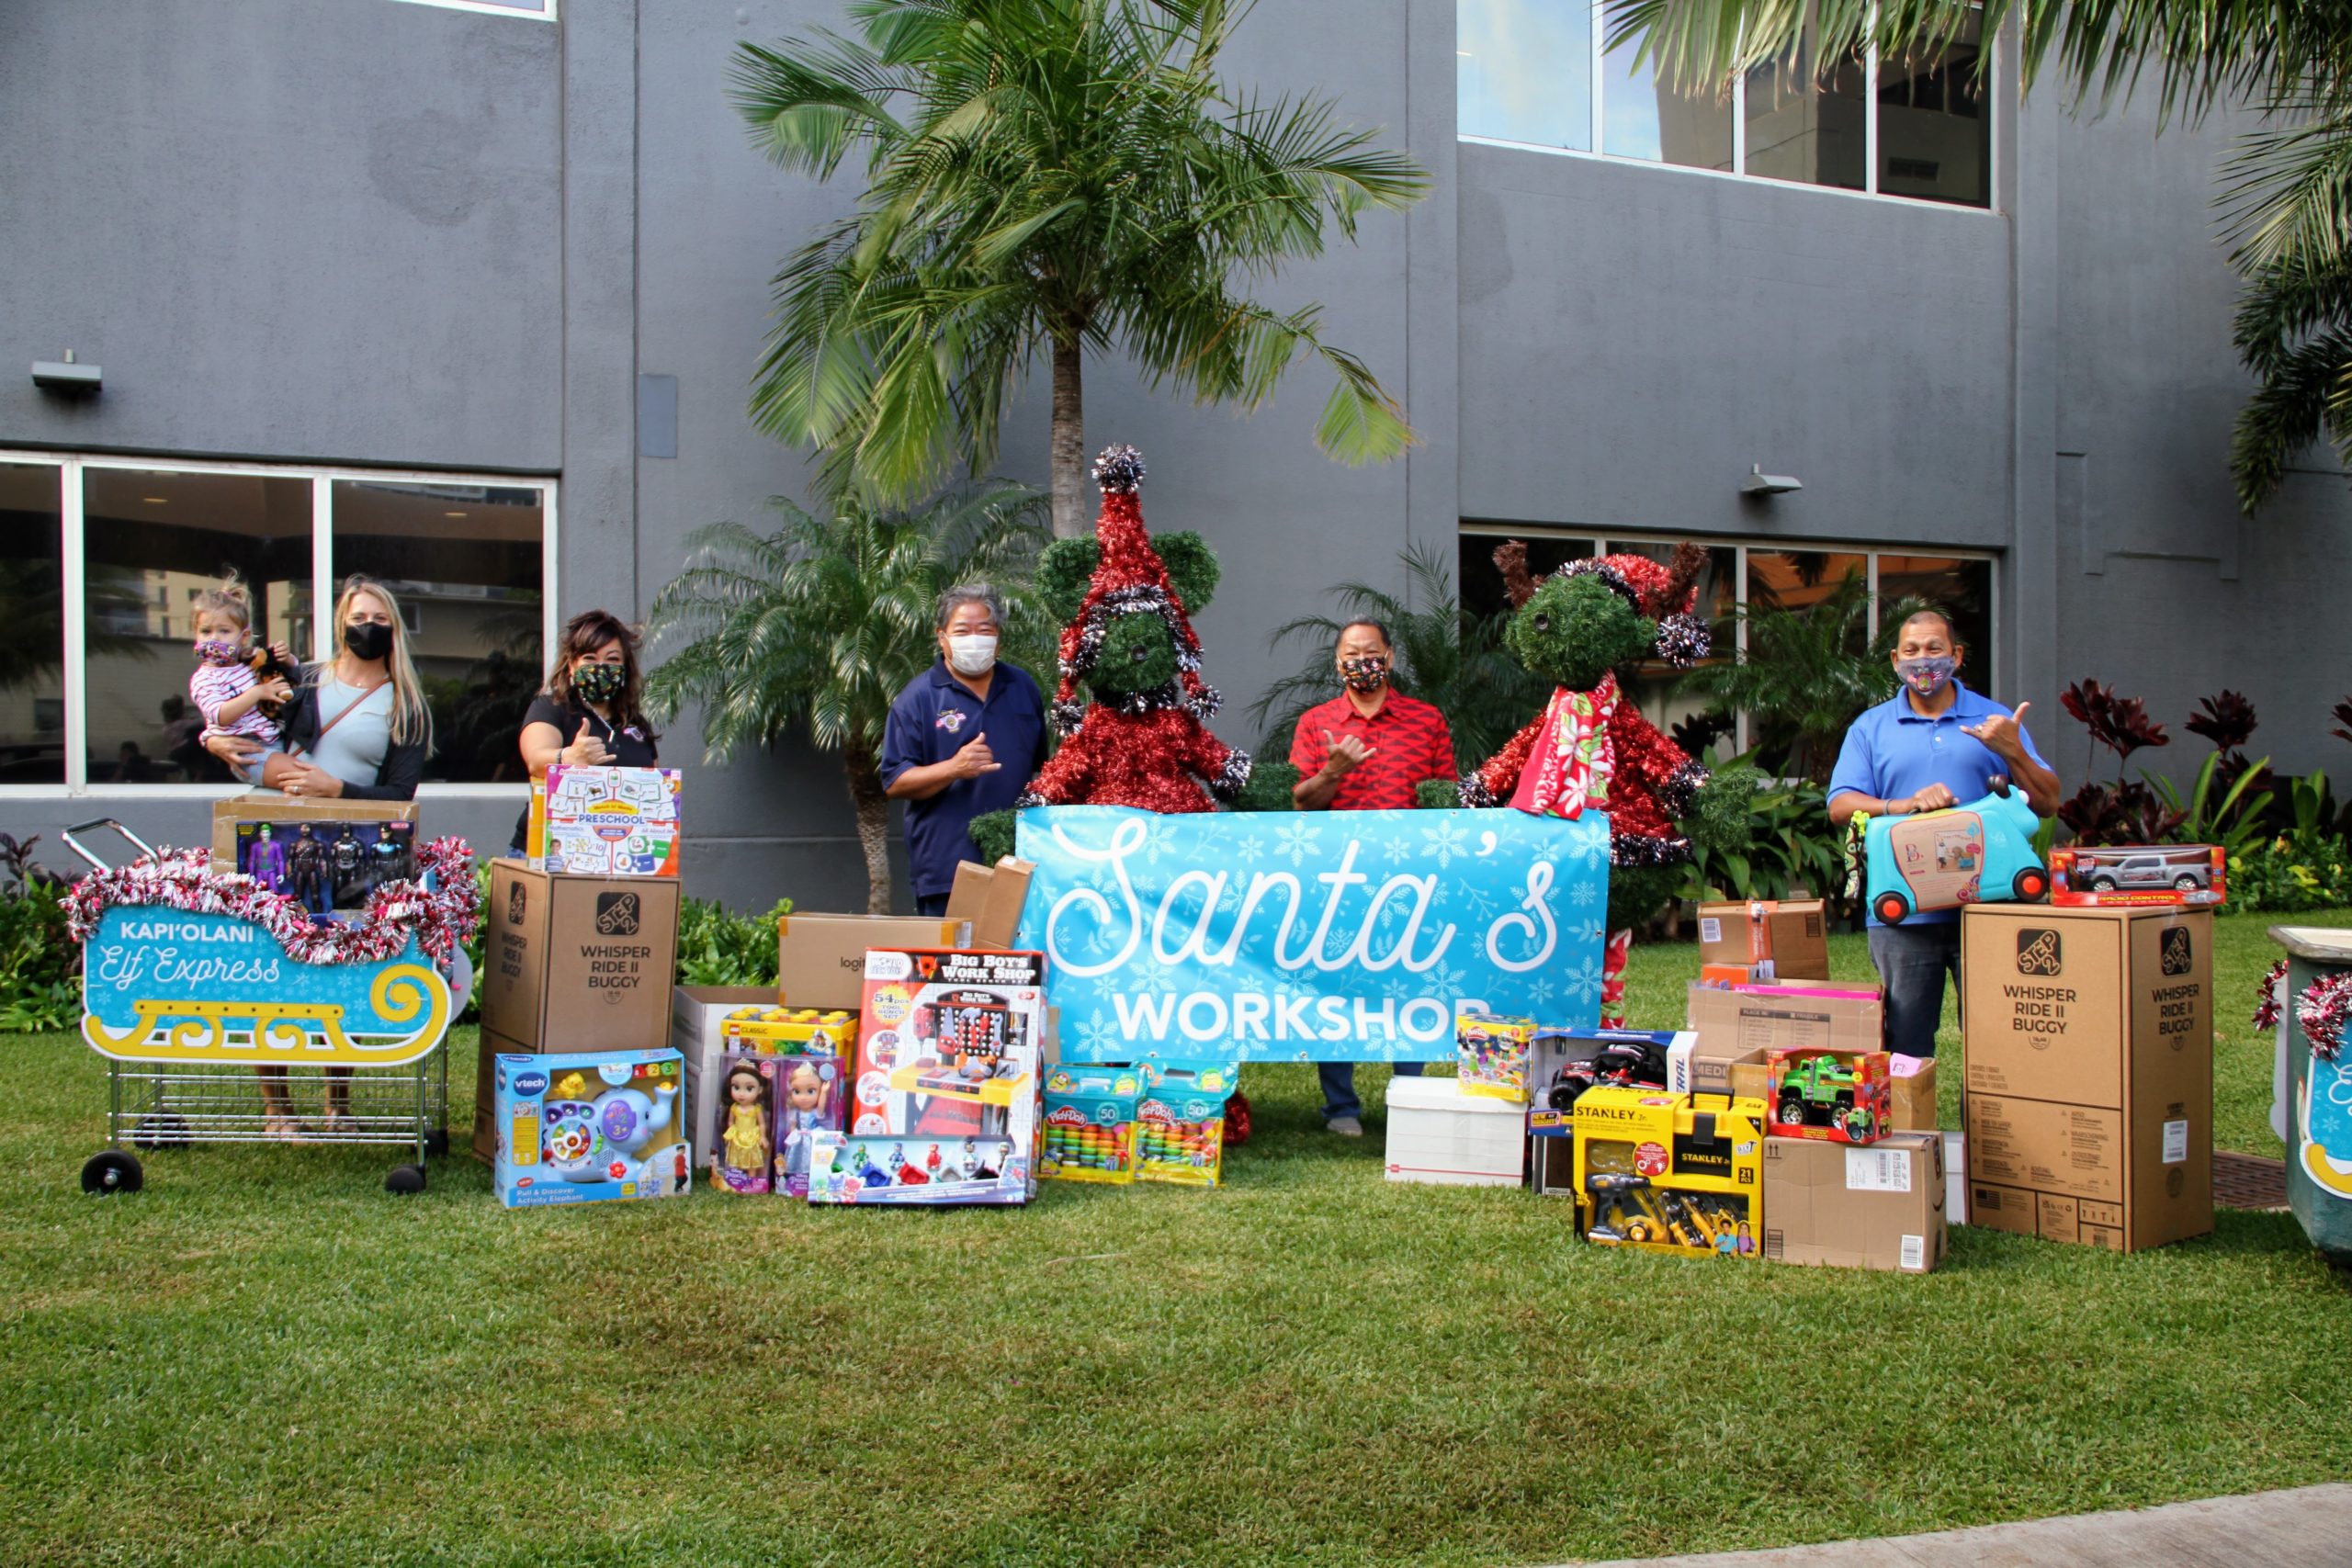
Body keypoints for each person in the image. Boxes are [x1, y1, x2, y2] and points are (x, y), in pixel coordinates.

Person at [204, 575, 435, 1137]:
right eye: (359, 617)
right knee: (268, 967)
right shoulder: (303, 679)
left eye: (380, 620)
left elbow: (402, 797)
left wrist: (340, 791)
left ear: (394, 629)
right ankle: (276, 1109)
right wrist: (210, 740)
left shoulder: (406, 705)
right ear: (340, 621)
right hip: (267, 834)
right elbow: (228, 708)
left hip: (351, 846)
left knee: (344, 968)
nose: (368, 628)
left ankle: (339, 1105)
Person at [1826, 607, 2061, 1059]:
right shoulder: (1870, 728)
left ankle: (1990, 1129)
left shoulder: (1995, 721)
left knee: (1997, 1040)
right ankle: (1913, 1130)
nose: (1923, 660)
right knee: (1906, 1044)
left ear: (1957, 655)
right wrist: (1903, 804)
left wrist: (2013, 751)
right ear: (1895, 660)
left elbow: (2049, 802)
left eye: (1935, 649)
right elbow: (1840, 805)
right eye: (1911, 651)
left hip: (1989, 908)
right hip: (1906, 914)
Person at [1286, 618, 1457, 1136]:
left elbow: (1444, 799)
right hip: (1338, 881)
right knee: (1336, 987)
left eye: (1371, 651)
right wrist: (1334, 771)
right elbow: (1301, 803)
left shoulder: (1426, 720)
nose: (1362, 661)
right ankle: (1341, 1108)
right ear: (1337, 663)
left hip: (1412, 881)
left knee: (1411, 984)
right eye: (1350, 653)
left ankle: (1409, 1095)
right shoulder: (1317, 723)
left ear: (1390, 656)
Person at [881, 585, 1049, 917]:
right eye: (962, 631)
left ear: (999, 638)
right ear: (941, 637)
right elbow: (894, 781)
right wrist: (954, 768)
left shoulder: (1022, 686)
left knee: (1017, 964)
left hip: (1018, 863)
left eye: (985, 630)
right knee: (952, 965)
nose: (974, 638)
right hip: (947, 868)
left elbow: (1041, 768)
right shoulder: (918, 698)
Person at [510, 610, 660, 853]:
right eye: (589, 658)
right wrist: (567, 758)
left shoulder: (637, 725)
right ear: (571, 666)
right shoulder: (552, 708)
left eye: (612, 659)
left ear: (625, 669)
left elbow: (654, 792)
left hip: (619, 856)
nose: (601, 667)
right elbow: (535, 759)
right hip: (550, 853)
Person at [187, 574, 299, 784]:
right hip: (247, 750)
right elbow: (219, 715)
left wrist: (287, 659)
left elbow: (292, 677)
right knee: (299, 776)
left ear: (244, 636)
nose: (214, 638)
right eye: (205, 631)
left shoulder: (250, 662)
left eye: (224, 631)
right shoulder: (204, 678)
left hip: (278, 739)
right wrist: (258, 693)